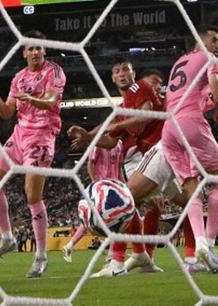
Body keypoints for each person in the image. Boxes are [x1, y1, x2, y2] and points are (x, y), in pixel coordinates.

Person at [69, 62, 196, 276]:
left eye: (160, 84)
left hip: (158, 152)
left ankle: (119, 260)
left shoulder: (144, 92)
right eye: (117, 71)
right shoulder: (127, 105)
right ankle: (186, 257)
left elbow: (139, 119)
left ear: (134, 74)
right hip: (154, 156)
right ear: (112, 77)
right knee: (188, 201)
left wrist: (109, 129)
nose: (156, 87)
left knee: (125, 200)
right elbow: (111, 140)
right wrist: (91, 137)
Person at [0, 31, 66, 278]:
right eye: (30, 49)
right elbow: (7, 112)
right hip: (19, 135)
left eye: (38, 48)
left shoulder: (54, 71)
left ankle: (41, 256)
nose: (34, 52)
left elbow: (51, 101)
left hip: (42, 136)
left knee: (32, 195)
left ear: (44, 50)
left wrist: (31, 97)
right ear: (24, 52)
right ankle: (8, 237)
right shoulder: (19, 77)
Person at [160, 25, 218, 273]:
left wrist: (209, 103)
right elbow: (217, 92)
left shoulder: (180, 62)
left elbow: (194, 96)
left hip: (169, 129)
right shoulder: (209, 58)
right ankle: (208, 245)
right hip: (190, 124)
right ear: (200, 41)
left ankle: (198, 249)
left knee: (192, 187)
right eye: (214, 40)